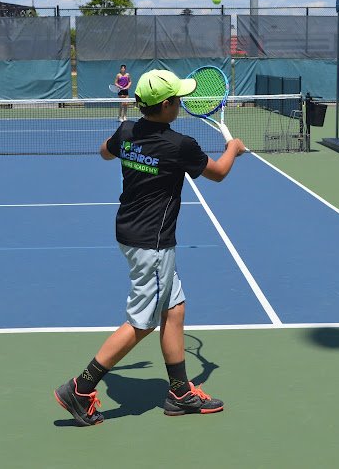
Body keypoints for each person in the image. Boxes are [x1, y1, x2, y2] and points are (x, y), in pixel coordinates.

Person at [54, 69, 246, 427]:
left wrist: (132, 151)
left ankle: (178, 392)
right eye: (178, 98)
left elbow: (104, 153)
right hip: (153, 245)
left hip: (129, 233)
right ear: (168, 104)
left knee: (174, 308)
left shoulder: (127, 130)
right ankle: (80, 388)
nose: (182, 103)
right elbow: (219, 172)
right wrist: (233, 149)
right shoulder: (180, 145)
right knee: (142, 322)